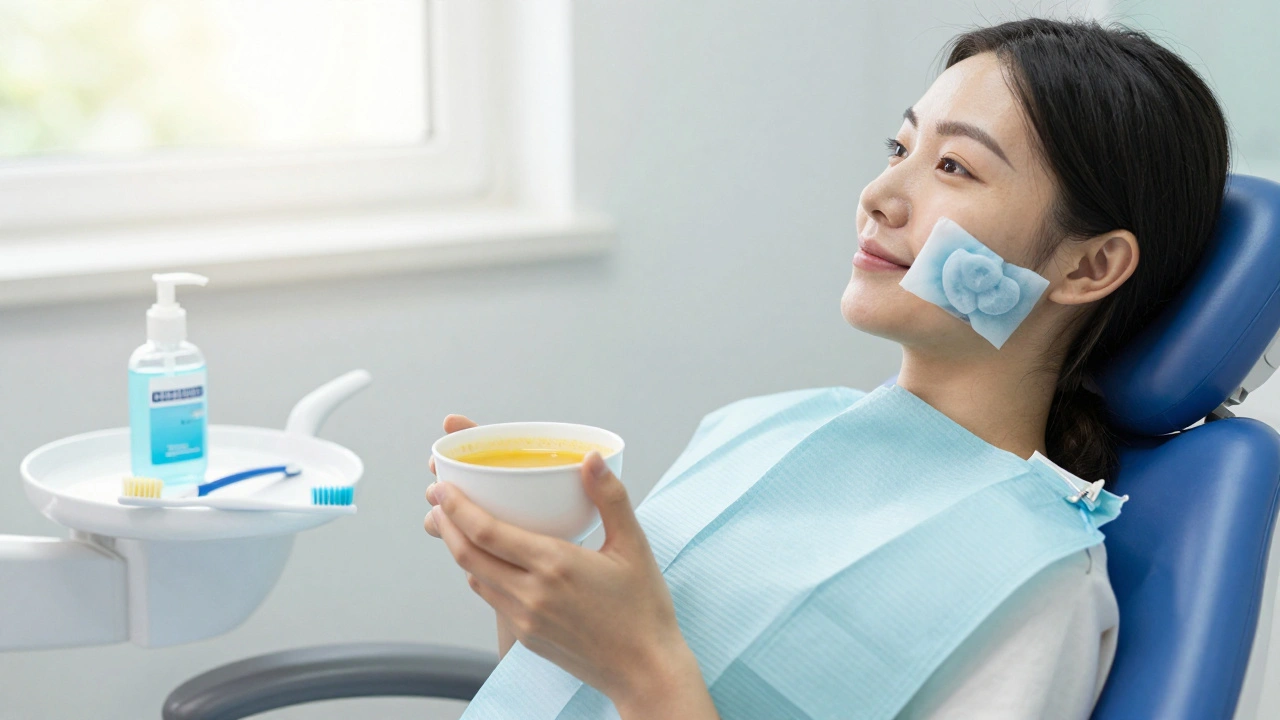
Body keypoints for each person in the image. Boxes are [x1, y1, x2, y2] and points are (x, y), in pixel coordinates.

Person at [421, 17, 1229, 720]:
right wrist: (530, 584)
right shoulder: (761, 427)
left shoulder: (1038, 587)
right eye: (900, 147)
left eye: (955, 168)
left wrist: (642, 667)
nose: (880, 193)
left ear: (1089, 270)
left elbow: (633, 678)